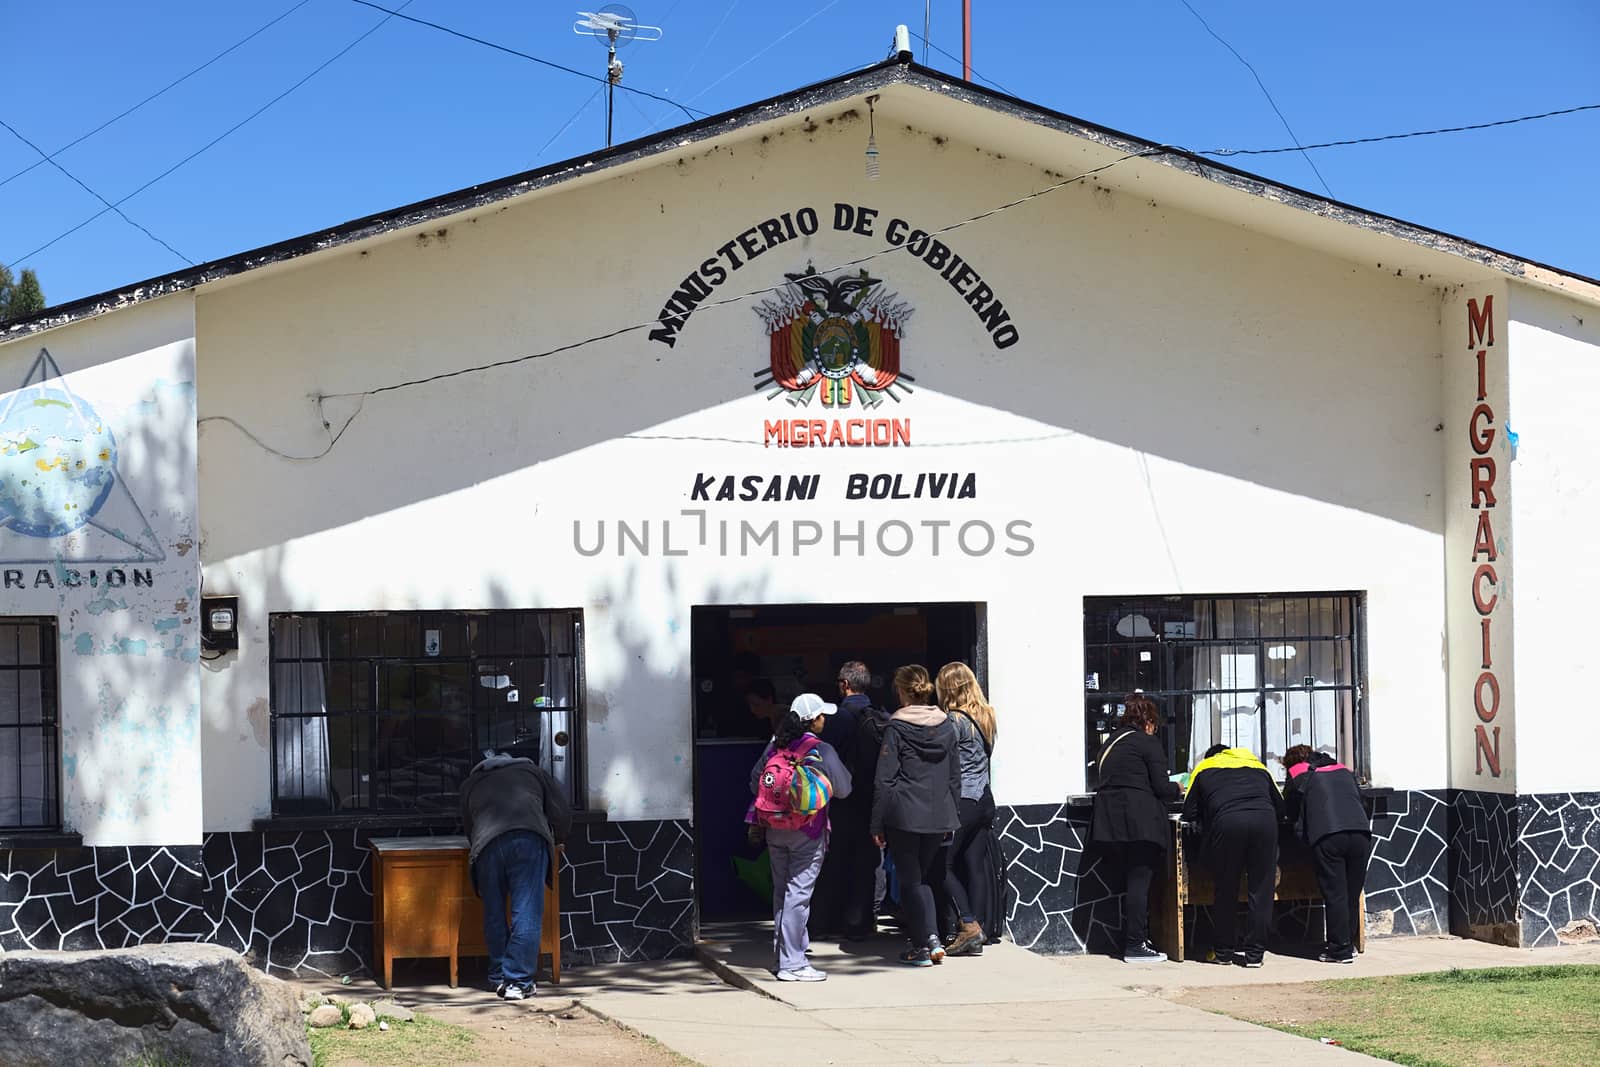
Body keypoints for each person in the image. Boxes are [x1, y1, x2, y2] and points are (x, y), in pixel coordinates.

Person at [748, 694, 853, 982]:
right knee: (798, 896)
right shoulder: (822, 750)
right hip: (808, 830)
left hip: (773, 827)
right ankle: (793, 964)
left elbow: (754, 778)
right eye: (822, 716)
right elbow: (844, 788)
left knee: (782, 894)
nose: (824, 720)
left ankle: (783, 957)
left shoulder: (775, 745)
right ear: (813, 720)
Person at [460, 738, 573, 1000]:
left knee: (494, 912)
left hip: (486, 844)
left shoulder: (471, 783)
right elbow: (560, 812)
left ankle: (499, 976)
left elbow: (468, 825)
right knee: (526, 911)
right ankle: (518, 982)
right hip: (528, 839)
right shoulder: (534, 773)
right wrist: (557, 840)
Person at [870, 664, 962, 967]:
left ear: (901, 691)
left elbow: (885, 779)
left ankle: (925, 943)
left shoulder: (896, 727)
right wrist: (952, 817)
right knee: (921, 879)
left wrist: (876, 822)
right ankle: (928, 939)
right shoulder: (947, 725)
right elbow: (954, 778)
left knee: (912, 882)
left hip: (904, 816)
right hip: (938, 815)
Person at [1090, 693, 1180, 963]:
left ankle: (1134, 939)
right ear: (1149, 721)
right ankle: (1135, 945)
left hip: (1109, 823)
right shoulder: (1146, 743)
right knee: (1140, 883)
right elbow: (1162, 788)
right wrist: (1178, 787)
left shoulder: (1110, 744)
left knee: (1130, 883)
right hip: (1140, 821)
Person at [1182, 742, 1283, 968]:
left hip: (1227, 824)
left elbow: (1189, 811)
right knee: (1261, 889)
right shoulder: (1258, 767)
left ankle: (1224, 953)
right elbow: (1281, 807)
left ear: (1211, 756)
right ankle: (1255, 955)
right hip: (1264, 823)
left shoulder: (1205, 767)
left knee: (1226, 888)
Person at [933, 662, 1001, 956]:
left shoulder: (952, 721)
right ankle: (981, 928)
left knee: (940, 866)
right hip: (985, 799)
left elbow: (943, 763)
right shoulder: (986, 716)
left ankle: (969, 925)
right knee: (975, 865)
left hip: (963, 800)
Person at [1282, 745, 1372, 964]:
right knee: (1351, 893)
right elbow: (1363, 802)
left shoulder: (1299, 774)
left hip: (1328, 835)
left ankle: (1339, 950)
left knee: (1335, 893)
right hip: (1360, 833)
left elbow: (1290, 810)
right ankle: (1347, 944)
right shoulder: (1343, 770)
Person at [811, 660, 877, 941]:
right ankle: (861, 922)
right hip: (872, 801)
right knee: (866, 863)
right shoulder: (881, 715)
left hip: (840, 801)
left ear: (844, 685)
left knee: (833, 861)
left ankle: (826, 922)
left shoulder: (835, 721)